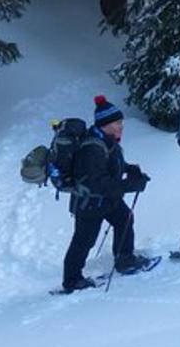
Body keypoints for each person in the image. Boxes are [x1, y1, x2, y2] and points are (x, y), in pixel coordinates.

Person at [61, 96, 152, 292]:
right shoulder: (93, 147)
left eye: (121, 122)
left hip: (106, 200)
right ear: (105, 125)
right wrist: (130, 185)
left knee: (125, 219)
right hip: (90, 203)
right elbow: (97, 183)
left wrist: (129, 169)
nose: (121, 126)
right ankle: (72, 280)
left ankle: (124, 259)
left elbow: (110, 165)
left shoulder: (107, 140)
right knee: (84, 241)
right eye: (117, 123)